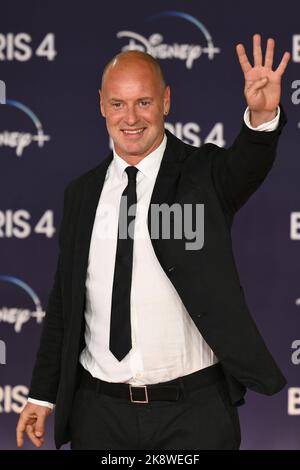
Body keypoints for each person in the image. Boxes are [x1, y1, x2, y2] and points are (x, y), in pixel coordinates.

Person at [16, 34, 290, 450]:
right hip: (99, 413)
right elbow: (65, 303)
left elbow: (247, 165)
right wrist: (41, 394)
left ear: (166, 101)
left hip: (193, 414)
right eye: (118, 103)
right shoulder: (82, 194)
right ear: (101, 106)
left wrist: (262, 114)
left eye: (143, 102)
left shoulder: (205, 176)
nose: (131, 117)